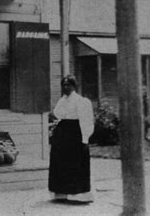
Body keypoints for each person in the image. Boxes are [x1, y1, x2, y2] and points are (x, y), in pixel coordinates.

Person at [48, 75, 95, 203]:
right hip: (62, 133)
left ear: (74, 86)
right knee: (60, 162)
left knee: (75, 163)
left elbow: (86, 121)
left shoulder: (81, 101)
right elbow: (57, 114)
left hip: (75, 134)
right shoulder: (62, 100)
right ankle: (61, 192)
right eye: (64, 85)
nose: (66, 87)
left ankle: (78, 194)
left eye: (69, 85)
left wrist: (85, 138)